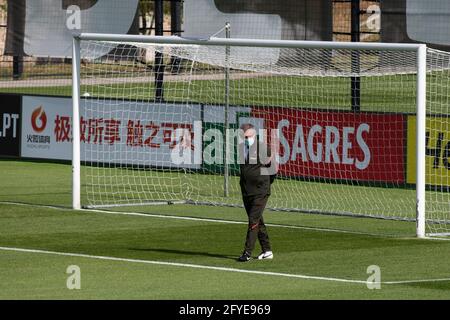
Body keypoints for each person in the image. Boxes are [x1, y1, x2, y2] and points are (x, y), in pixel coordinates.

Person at [237, 123, 276, 262]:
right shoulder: (241, 148)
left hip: (260, 190)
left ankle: (247, 252)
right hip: (247, 190)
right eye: (244, 137)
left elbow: (272, 169)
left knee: (253, 220)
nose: (246, 139)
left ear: (254, 134)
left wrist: (265, 184)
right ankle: (267, 250)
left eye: (249, 136)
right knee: (258, 220)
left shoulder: (263, 148)